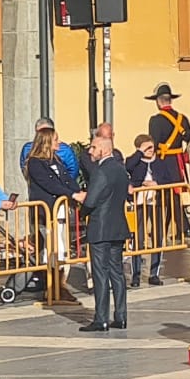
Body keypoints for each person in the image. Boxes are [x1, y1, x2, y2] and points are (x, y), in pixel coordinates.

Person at [76, 133, 132, 333]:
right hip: (117, 227)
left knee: (101, 273)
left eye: (93, 147)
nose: (90, 151)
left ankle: (101, 319)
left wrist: (82, 213)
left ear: (105, 149)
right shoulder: (120, 170)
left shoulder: (102, 171)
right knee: (117, 272)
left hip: (101, 228)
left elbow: (91, 200)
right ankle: (121, 315)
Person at [124, 135, 178, 287]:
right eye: (146, 148)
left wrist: (156, 183)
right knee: (138, 237)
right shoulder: (135, 161)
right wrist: (139, 154)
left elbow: (170, 179)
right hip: (139, 201)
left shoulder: (161, 163)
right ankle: (136, 274)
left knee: (157, 235)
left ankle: (154, 273)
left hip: (157, 201)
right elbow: (127, 167)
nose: (150, 150)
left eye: (151, 147)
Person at [146, 83, 190, 181]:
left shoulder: (155, 120)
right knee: (180, 189)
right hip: (178, 161)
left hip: (163, 162)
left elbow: (153, 143)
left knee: (164, 190)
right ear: (170, 100)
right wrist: (185, 154)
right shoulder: (182, 118)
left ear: (158, 102)